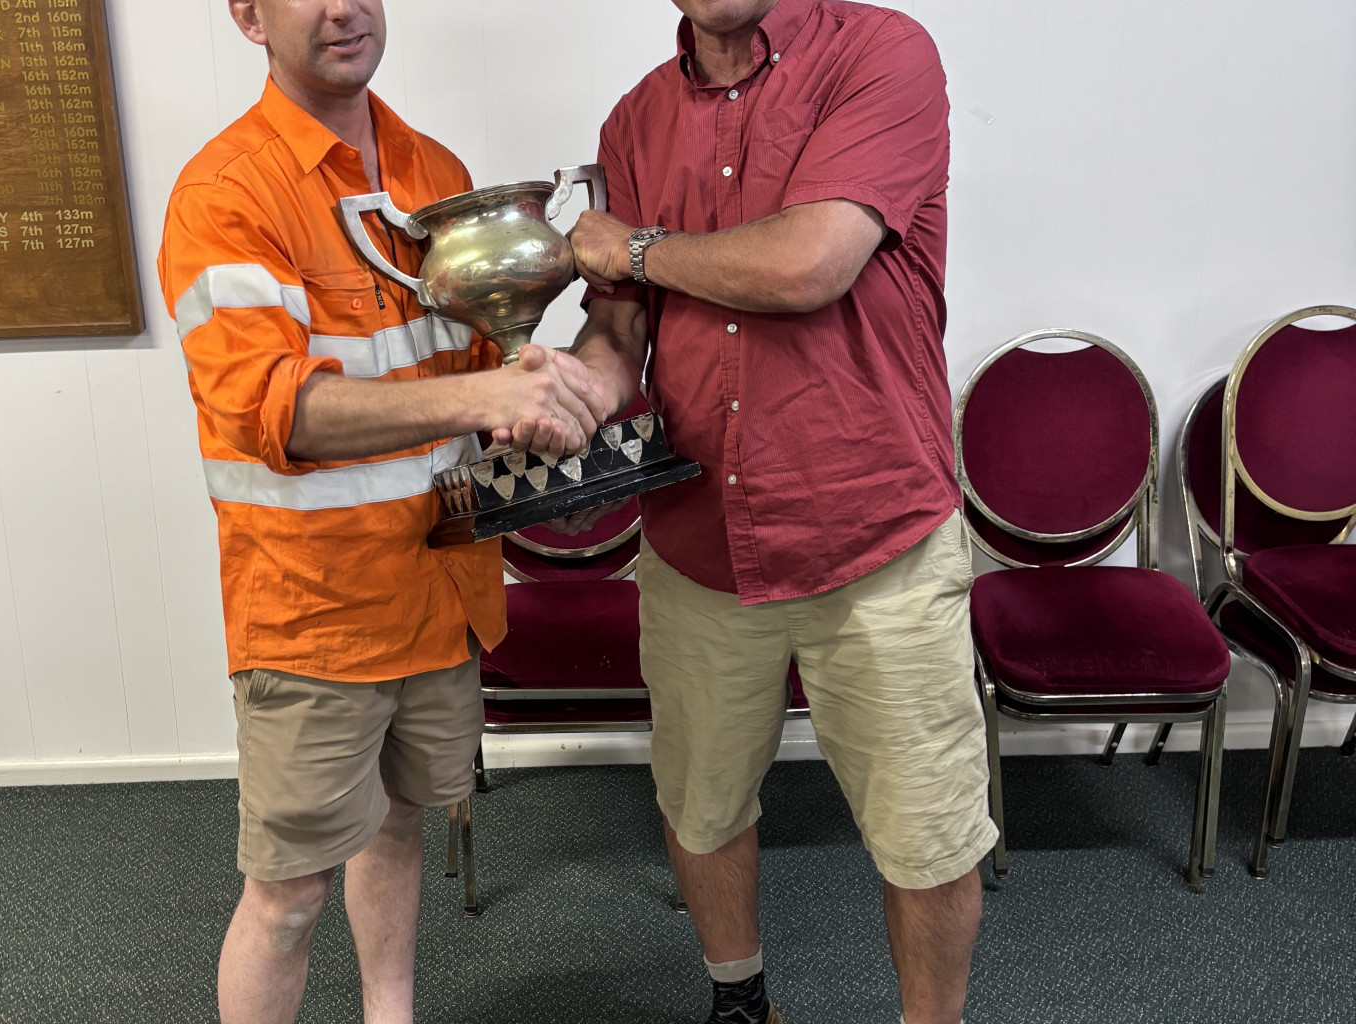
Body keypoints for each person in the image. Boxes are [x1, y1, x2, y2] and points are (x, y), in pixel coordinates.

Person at [156, 2, 606, 1022]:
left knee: (399, 826)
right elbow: (282, 410)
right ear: (248, 16)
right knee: (285, 896)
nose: (342, 7)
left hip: (437, 588)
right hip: (312, 614)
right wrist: (481, 397)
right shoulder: (226, 193)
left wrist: (530, 388)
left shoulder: (431, 170)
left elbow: (465, 377)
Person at [561, 2, 999, 1022]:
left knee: (927, 834)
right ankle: (738, 998)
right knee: (702, 807)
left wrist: (635, 248)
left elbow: (809, 263)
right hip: (695, 539)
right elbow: (619, 326)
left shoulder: (880, 53)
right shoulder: (634, 121)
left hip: (874, 535)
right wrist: (566, 394)